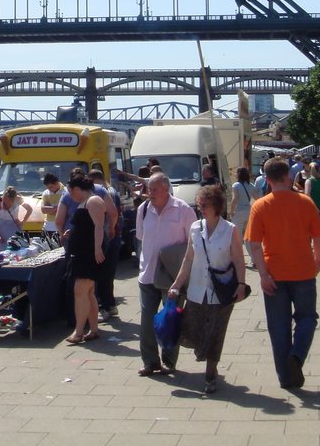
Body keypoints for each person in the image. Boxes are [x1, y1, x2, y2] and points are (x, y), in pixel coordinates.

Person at [244, 157, 320, 389]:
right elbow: (318, 236)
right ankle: (297, 356)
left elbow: (253, 244)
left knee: (278, 326)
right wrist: (318, 261)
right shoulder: (305, 202)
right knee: (307, 318)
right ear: (288, 177)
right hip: (304, 270)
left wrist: (262, 275)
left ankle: (285, 377)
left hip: (274, 273)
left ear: (267, 180)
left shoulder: (260, 206)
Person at [167, 184, 248, 394]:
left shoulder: (229, 230)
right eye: (199, 204)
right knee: (191, 330)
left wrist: (241, 285)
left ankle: (210, 374)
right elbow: (188, 259)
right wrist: (176, 285)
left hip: (221, 292)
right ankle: (203, 355)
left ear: (217, 207)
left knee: (215, 334)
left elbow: (239, 260)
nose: (200, 208)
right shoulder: (195, 228)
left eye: (205, 205)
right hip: (196, 290)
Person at [135, 172, 197, 376]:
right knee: (146, 322)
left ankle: (169, 361)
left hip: (172, 277)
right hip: (147, 275)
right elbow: (141, 238)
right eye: (148, 189)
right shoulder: (143, 209)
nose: (149, 193)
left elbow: (193, 243)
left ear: (166, 189)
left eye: (154, 189)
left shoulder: (183, 210)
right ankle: (150, 362)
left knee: (170, 320)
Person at [64, 176, 107, 344]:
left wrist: (97, 249)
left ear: (76, 189)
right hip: (82, 253)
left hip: (88, 254)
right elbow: (87, 225)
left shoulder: (93, 200)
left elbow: (99, 226)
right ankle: (93, 329)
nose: (70, 195)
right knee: (88, 292)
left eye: (70, 191)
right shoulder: (85, 202)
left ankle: (79, 331)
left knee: (80, 291)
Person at [88, 168, 122, 321]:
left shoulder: (102, 192)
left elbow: (112, 213)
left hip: (107, 236)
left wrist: (110, 229)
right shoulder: (113, 190)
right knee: (108, 274)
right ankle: (111, 305)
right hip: (113, 235)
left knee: (102, 274)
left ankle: (104, 307)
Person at [0, 186, 32, 251]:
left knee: (16, 250)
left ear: (13, 199)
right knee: (1, 251)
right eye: (5, 199)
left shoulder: (18, 199)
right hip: (1, 229)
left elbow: (29, 209)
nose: (6, 201)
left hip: (14, 228)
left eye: (8, 200)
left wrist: (23, 221)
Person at [230, 166, 258, 235]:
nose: (235, 174)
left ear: (239, 174)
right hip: (249, 211)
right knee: (248, 234)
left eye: (236, 172)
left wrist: (231, 211)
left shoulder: (236, 185)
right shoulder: (251, 185)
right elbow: (257, 198)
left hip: (239, 211)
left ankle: (238, 246)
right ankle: (248, 246)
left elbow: (235, 199)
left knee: (237, 234)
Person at [40, 173, 65, 241]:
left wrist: (50, 208)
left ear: (57, 183)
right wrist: (60, 208)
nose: (49, 189)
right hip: (48, 227)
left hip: (62, 228)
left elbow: (67, 210)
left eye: (51, 187)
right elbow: (43, 210)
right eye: (47, 187)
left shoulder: (66, 192)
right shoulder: (46, 193)